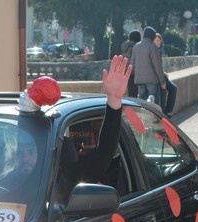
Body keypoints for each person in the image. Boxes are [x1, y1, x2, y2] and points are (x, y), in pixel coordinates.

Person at [58, 54, 132, 198]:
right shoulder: (5, 177)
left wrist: (114, 101)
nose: (25, 157)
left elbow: (105, 152)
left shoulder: (67, 177)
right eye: (21, 150)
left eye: (30, 150)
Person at [130, 26, 166, 107]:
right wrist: (162, 81)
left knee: (142, 102)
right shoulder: (153, 47)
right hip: (152, 80)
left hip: (139, 80)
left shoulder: (136, 46)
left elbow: (132, 63)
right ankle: (155, 118)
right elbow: (158, 66)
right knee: (154, 104)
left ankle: (143, 118)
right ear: (152, 36)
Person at [153, 32, 178, 117]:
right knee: (166, 91)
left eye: (159, 41)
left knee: (172, 88)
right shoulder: (153, 51)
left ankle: (167, 111)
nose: (158, 43)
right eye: (156, 41)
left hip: (160, 75)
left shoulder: (158, 51)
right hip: (157, 77)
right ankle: (165, 113)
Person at [121, 30, 141, 97]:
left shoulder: (124, 46)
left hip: (126, 71)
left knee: (131, 92)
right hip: (135, 71)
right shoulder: (137, 46)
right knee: (136, 92)